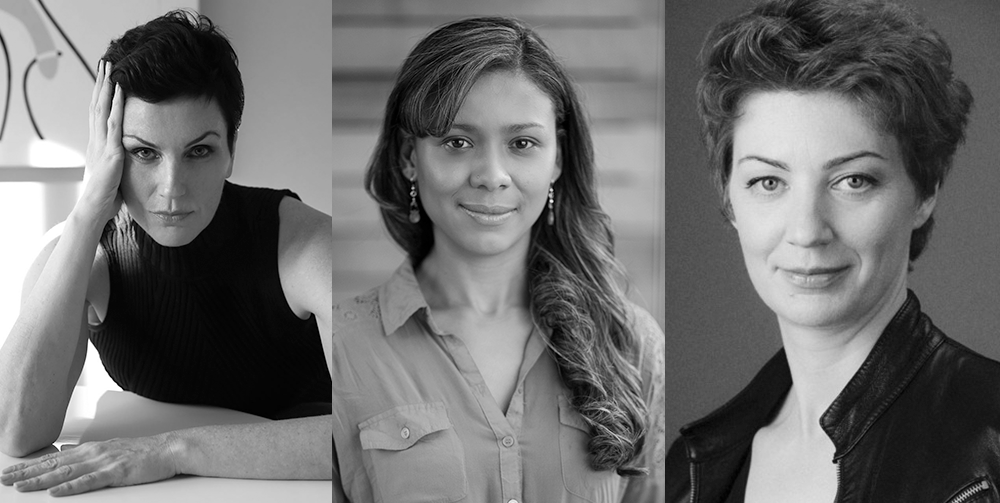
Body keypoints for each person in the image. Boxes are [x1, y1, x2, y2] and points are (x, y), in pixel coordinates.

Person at [664, 0, 1000, 501]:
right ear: (729, 200)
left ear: (925, 192)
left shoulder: (990, 439)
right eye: (767, 181)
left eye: (852, 180)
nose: (806, 231)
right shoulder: (689, 471)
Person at [328, 16, 664, 502]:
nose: (491, 175)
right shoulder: (340, 352)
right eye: (457, 142)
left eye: (522, 143)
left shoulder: (633, 347)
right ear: (409, 157)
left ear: (557, 160)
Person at [0, 11, 332, 496]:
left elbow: (373, 429)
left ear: (231, 149)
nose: (171, 190)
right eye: (143, 153)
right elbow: (17, 429)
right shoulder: (83, 255)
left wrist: (171, 450)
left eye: (198, 151)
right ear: (109, 151)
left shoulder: (303, 246)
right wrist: (89, 208)